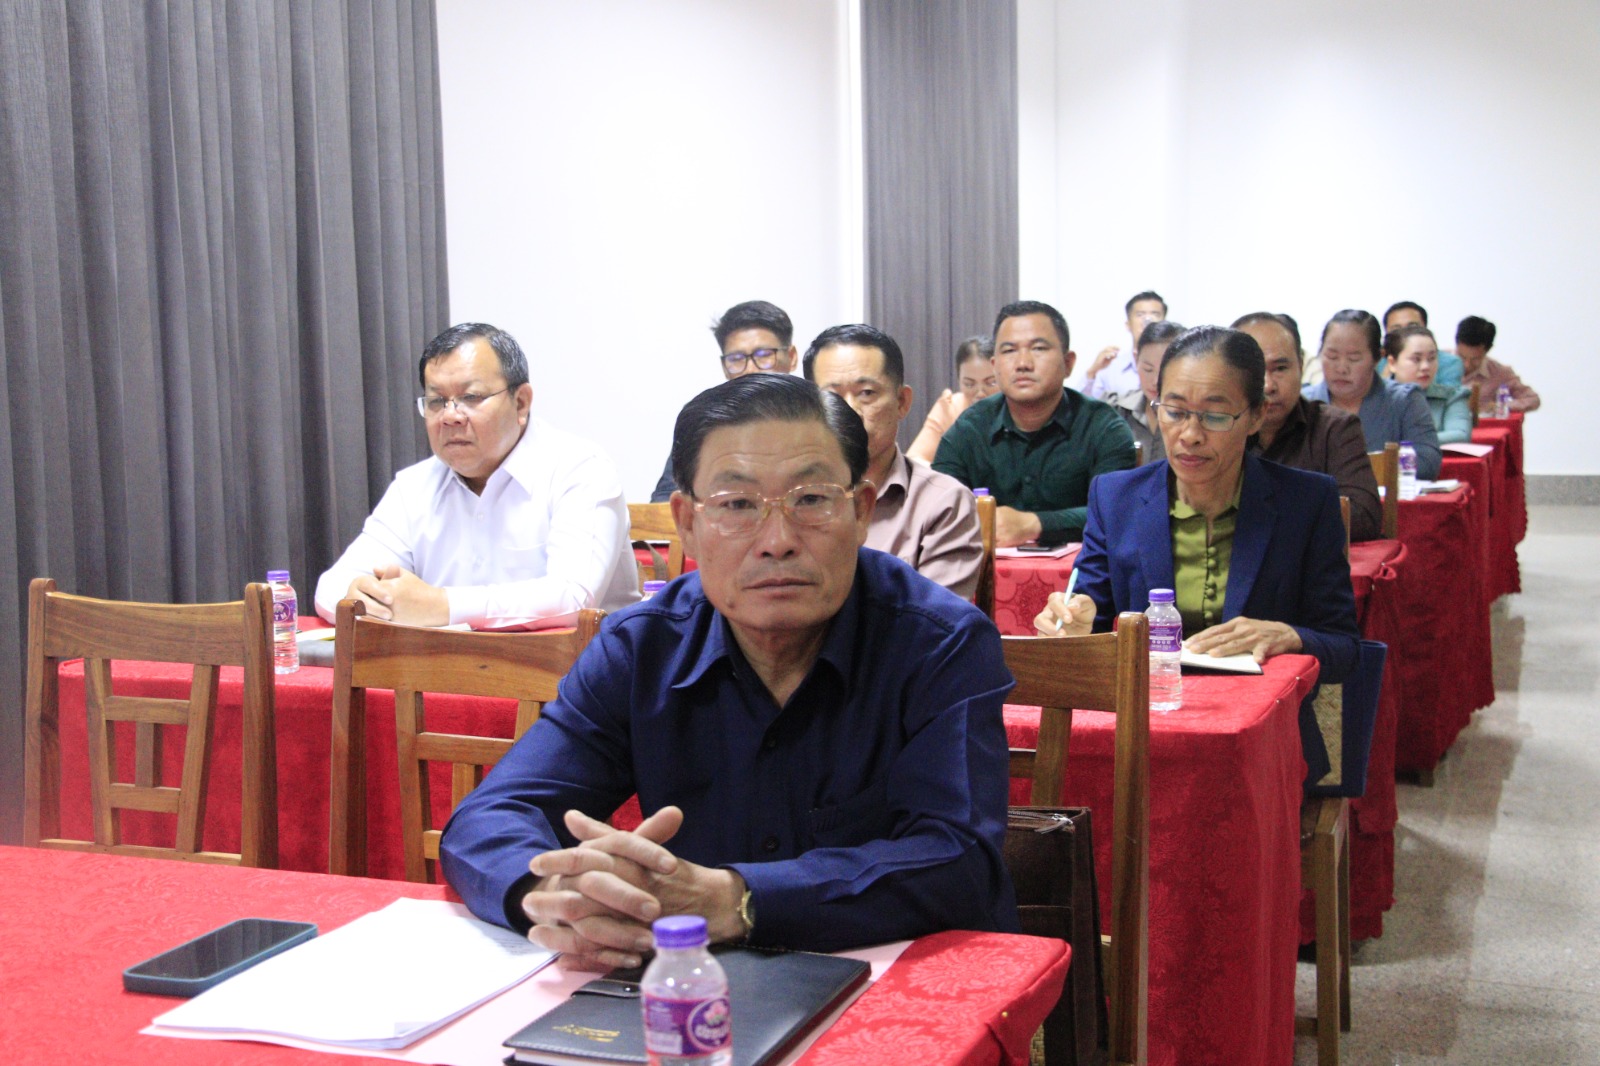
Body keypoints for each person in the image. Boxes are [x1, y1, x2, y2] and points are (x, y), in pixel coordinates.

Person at [439, 374, 1018, 965]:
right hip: (697, 984)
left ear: (861, 510)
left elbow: (960, 858)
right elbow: (489, 817)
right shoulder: (642, 649)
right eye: (737, 505)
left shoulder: (941, 643)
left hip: (900, 980)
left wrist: (735, 899)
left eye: (812, 499)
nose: (777, 540)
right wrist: (552, 892)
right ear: (686, 523)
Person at [1033, 325, 1359, 782]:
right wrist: (1073, 625)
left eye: (1215, 416)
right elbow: (1087, 614)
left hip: (1260, 747)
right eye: (1174, 411)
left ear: (1256, 415)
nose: (1189, 434)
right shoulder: (1116, 497)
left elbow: (1346, 649)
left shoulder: (1305, 503)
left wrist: (1289, 635)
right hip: (1138, 737)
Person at [314, 323, 639, 628]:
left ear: (521, 403)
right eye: (436, 401)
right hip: (446, 668)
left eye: (470, 398)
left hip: (576, 668)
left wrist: (441, 606)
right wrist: (362, 598)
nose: (450, 416)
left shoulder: (581, 469)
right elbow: (331, 588)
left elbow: (574, 598)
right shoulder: (413, 487)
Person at [933, 300, 1137, 547]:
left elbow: (1117, 512)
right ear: (995, 366)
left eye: (1038, 348)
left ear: (1068, 363)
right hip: (987, 570)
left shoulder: (1103, 427)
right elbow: (936, 509)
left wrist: (1034, 524)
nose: (1023, 363)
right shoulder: (970, 428)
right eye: (1009, 351)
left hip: (1081, 571)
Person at [804, 324, 982, 599]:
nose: (850, 411)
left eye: (866, 393)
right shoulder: (783, 498)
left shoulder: (942, 503)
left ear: (901, 402)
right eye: (832, 397)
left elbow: (937, 619)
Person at [1234, 312, 1383, 541]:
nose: (1268, 385)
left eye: (1280, 368)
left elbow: (1363, 517)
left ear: (1301, 367)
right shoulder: (1216, 429)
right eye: (1256, 371)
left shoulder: (1335, 429)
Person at [648, 300, 799, 502]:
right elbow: (664, 500)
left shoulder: (819, 417)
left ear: (791, 357)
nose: (750, 369)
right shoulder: (703, 420)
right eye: (736, 359)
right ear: (724, 367)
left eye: (764, 355)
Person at [1303, 309, 1442, 479]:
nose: (1341, 368)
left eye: (1353, 358)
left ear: (1377, 358)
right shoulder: (1303, 403)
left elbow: (1427, 462)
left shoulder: (1405, 400)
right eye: (1332, 356)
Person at [905, 337, 997, 464]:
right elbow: (914, 459)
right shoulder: (949, 408)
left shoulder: (1016, 407)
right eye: (969, 384)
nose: (980, 393)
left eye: (991, 383)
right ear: (959, 381)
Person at [1112, 319, 1185, 464]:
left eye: (1165, 371)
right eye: (1148, 369)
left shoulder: (1196, 418)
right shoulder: (1116, 410)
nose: (1155, 381)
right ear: (1136, 359)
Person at [1384, 324, 1472, 444]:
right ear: (1392, 363)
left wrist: (1403, 443)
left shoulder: (1452, 396)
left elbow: (1460, 435)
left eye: (1431, 358)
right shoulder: (1373, 396)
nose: (1426, 366)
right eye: (1416, 359)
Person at [1078, 290, 1168, 400]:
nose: (1147, 320)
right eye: (1140, 315)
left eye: (1155, 314)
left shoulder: (1174, 364)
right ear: (1128, 324)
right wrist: (1092, 372)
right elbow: (1083, 405)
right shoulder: (1110, 368)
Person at [1456, 315, 1541, 415]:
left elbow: (1533, 399)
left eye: (1475, 359)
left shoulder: (1500, 373)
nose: (1467, 364)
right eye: (1462, 356)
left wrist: (1500, 406)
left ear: (1488, 350)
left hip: (1480, 424)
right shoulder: (1440, 362)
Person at [1383, 301, 1463, 386]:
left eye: (1412, 327)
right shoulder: (1378, 362)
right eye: (1396, 329)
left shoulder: (1450, 363)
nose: (1405, 333)